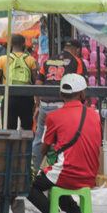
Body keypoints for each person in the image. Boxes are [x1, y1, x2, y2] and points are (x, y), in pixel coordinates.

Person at [27, 73, 101, 213]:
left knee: (27, 184)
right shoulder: (95, 116)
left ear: (61, 95)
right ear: (82, 94)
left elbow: (43, 148)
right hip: (90, 176)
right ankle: (74, 212)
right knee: (52, 179)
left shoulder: (53, 116)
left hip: (67, 174)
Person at [33, 39, 87, 172]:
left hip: (45, 104)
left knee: (39, 139)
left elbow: (38, 84)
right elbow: (80, 84)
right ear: (78, 50)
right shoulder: (77, 61)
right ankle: (58, 171)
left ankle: (32, 171)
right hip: (61, 105)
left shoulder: (49, 60)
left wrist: (38, 105)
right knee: (62, 140)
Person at [0, 34, 37, 130]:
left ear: (10, 44)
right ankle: (26, 145)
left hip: (9, 98)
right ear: (24, 44)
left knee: (9, 130)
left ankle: (10, 146)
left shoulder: (3, 59)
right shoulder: (31, 60)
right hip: (27, 99)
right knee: (27, 131)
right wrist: (37, 103)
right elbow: (36, 82)